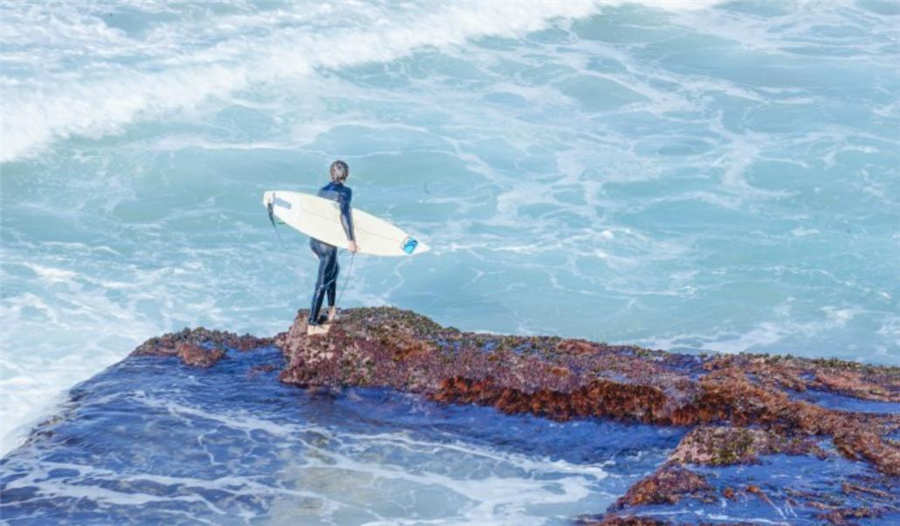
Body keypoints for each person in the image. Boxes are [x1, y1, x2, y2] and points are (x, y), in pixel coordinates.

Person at [307, 160, 358, 336]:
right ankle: (312, 324)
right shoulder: (345, 192)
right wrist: (351, 240)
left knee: (334, 272)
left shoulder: (321, 191)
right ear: (347, 175)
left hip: (316, 240)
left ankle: (331, 309)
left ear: (331, 174)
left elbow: (314, 217)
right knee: (321, 284)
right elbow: (344, 215)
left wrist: (312, 245)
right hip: (327, 244)